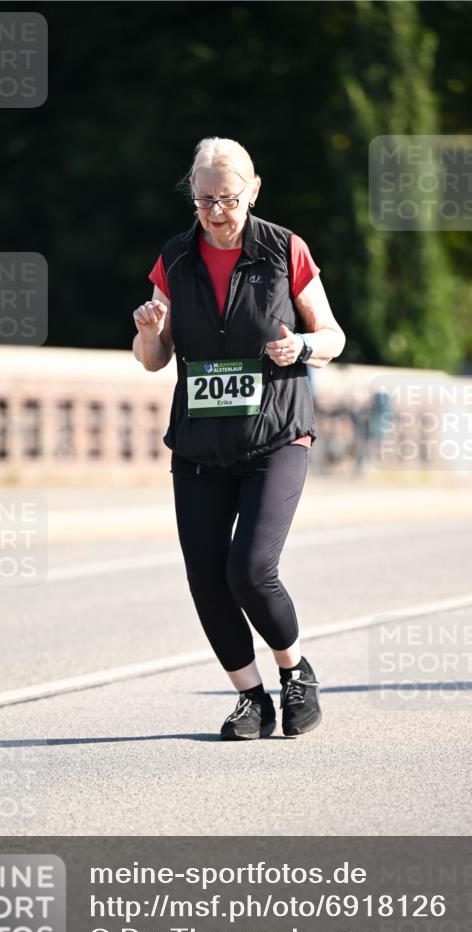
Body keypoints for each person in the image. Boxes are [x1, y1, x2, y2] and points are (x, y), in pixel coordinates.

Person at [132, 137, 345, 740]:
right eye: (204, 201)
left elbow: (332, 336)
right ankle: (251, 698)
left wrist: (301, 346)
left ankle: (295, 671)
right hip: (200, 443)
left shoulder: (284, 249)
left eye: (227, 198)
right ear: (192, 198)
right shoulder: (175, 258)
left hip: (277, 433)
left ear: (252, 191)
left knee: (250, 569)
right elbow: (154, 358)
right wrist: (149, 331)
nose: (216, 212)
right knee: (205, 576)